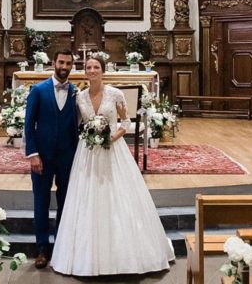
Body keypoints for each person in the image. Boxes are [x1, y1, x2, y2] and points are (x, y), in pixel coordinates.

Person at [51, 55, 175, 276]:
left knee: (119, 196)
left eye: (96, 67)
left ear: (103, 70)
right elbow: (77, 124)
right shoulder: (79, 97)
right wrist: (88, 136)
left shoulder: (115, 94)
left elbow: (126, 122)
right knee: (86, 197)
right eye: (88, 67)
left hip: (112, 150)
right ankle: (84, 256)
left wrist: (112, 138)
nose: (92, 70)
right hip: (88, 153)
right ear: (85, 71)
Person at [24, 49, 79, 270]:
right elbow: (28, 124)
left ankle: (62, 247)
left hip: (67, 156)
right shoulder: (38, 90)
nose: (64, 67)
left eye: (68, 64)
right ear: (53, 63)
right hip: (42, 158)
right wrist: (33, 154)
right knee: (41, 202)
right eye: (61, 62)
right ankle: (42, 249)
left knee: (66, 203)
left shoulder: (75, 92)